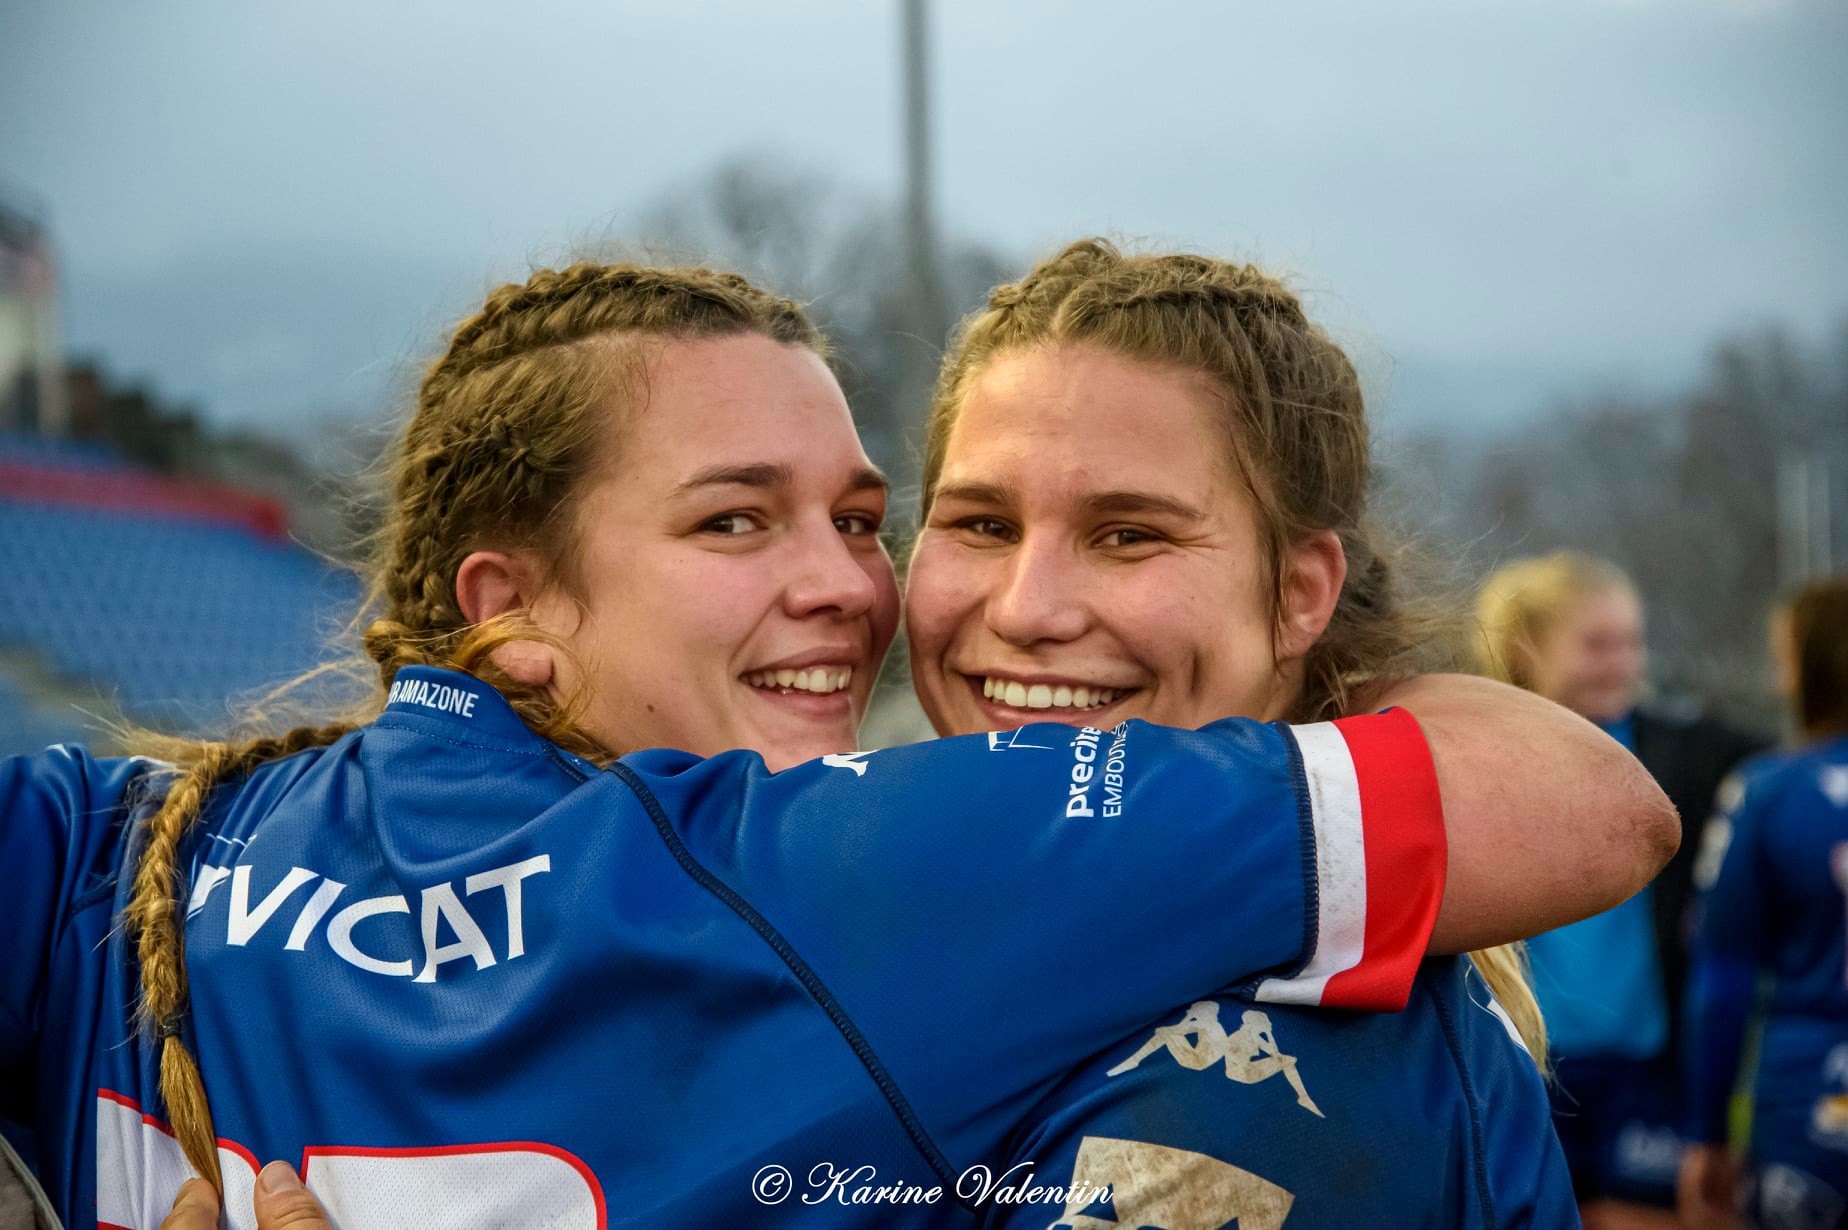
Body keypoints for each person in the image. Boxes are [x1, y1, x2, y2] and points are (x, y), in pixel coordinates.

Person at [3, 263, 1671, 1229]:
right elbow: (1576, 797)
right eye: (736, 519)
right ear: (511, 607)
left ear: (1304, 586)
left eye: (864, 520)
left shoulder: (106, 845)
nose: (852, 588)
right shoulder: (864, 869)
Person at [901, 238, 1573, 1226]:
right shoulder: (950, 896)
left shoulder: (1261, 1073)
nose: (1026, 609)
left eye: (1128, 534)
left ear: (1298, 593)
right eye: (983, 525)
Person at [1477, 551, 1765, 1226]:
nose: (1622, 664)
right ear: (1526, 649)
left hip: (1647, 1069)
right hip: (1527, 1067)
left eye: (1632, 643)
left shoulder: (1693, 756)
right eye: (1598, 645)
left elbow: (1801, 765)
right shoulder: (1480, 757)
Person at [1680, 575, 1848, 1230]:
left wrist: (1706, 1133)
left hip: (1811, 1108)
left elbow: (1723, 980)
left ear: (1810, 666)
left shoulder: (1768, 791)